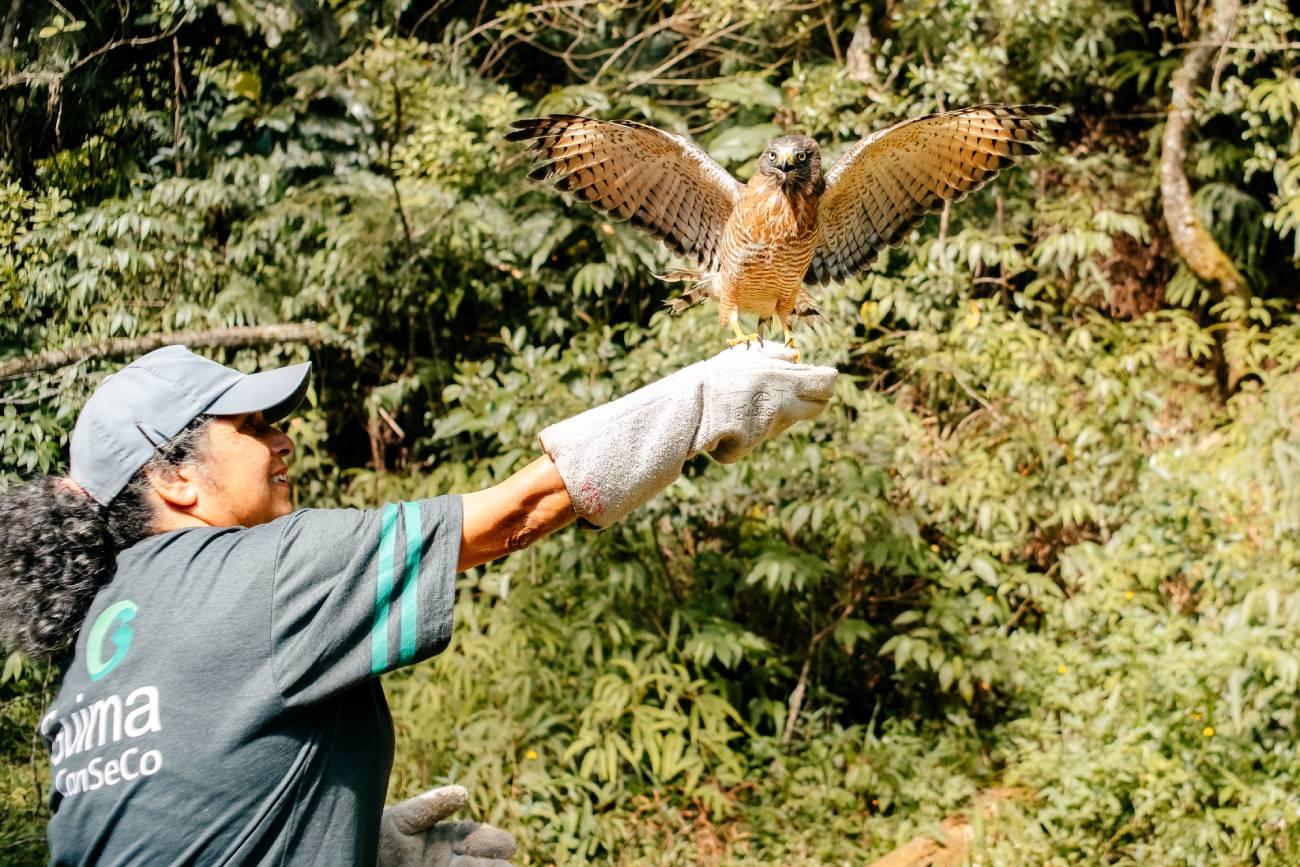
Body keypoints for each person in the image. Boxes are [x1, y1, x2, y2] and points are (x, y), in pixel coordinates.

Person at [0, 342, 838, 866]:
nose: (284, 439)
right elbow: (514, 515)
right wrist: (701, 402)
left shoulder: (98, 639)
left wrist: (352, 847)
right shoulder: (263, 570)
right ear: (172, 476)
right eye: (252, 426)